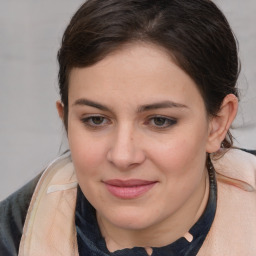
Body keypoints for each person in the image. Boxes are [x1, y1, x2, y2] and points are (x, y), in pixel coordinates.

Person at [1, 0, 256, 255]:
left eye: (160, 121)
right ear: (66, 120)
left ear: (217, 124)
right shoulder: (13, 236)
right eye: (96, 120)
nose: (123, 156)